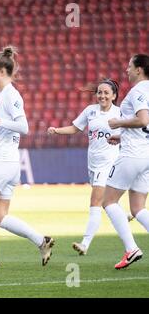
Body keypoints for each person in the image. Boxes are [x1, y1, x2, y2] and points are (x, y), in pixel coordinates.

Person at [0, 46, 54, 270]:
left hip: (0, 161)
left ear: (2, 71)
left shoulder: (11, 95)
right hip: (7, 163)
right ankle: (41, 241)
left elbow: (23, 126)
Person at [47, 79, 121, 256]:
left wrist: (119, 137)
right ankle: (124, 215)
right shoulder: (90, 111)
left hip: (109, 163)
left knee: (95, 202)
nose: (102, 96)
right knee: (106, 202)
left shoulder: (121, 113)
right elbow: (75, 128)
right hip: (92, 163)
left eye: (106, 93)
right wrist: (57, 130)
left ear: (114, 96)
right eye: (99, 92)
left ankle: (85, 243)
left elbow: (133, 131)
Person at [103, 53, 149, 269]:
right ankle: (131, 248)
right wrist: (122, 135)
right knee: (138, 208)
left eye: (130, 66)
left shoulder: (139, 90)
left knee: (109, 201)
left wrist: (117, 123)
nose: (126, 69)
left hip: (133, 155)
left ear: (139, 69)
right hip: (146, 154)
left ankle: (131, 249)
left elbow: (142, 120)